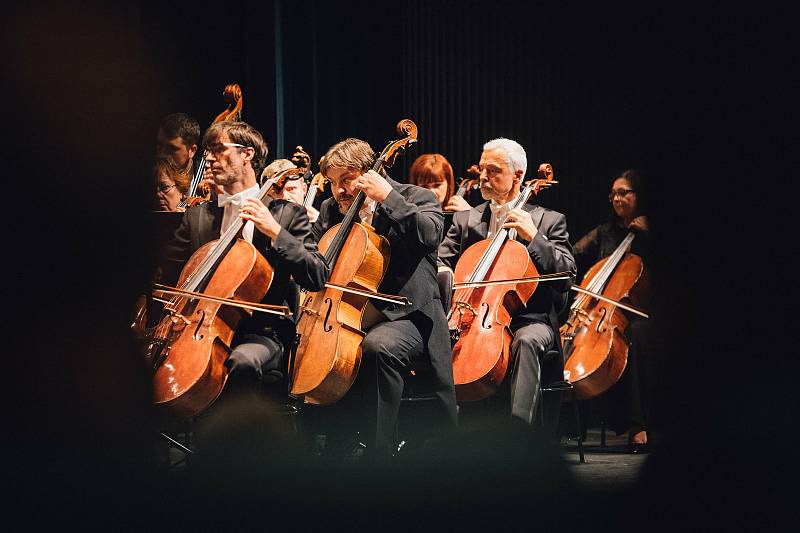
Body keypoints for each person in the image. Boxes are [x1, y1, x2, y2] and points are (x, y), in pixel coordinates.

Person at [309, 138, 458, 460]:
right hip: (348, 313)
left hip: (408, 315)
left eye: (346, 180)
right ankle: (326, 447)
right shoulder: (331, 210)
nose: (338, 191)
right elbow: (316, 259)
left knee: (377, 347)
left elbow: (429, 236)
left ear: (367, 173)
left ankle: (380, 454)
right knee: (307, 347)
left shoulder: (415, 197)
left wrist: (387, 198)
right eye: (332, 184)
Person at [160, 121, 329, 400]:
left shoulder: (285, 216)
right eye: (207, 151)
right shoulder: (197, 216)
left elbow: (317, 275)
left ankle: (241, 439)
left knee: (241, 362)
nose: (209, 158)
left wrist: (275, 232)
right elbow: (166, 276)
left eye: (218, 149)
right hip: (195, 327)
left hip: (263, 333)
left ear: (247, 154)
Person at [438, 137, 576, 429]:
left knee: (525, 341)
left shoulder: (549, 221)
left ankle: (520, 436)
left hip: (531, 318)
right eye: (483, 169)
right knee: (434, 337)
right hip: (472, 315)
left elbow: (566, 274)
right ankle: (442, 436)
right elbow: (439, 264)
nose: (484, 177)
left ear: (518, 175)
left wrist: (533, 237)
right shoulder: (466, 220)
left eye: (494, 170)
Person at [572, 168, 653, 451]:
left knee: (640, 334)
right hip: (605, 312)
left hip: (643, 311)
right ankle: (570, 425)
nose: (617, 198)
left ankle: (638, 424)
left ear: (639, 196)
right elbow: (572, 255)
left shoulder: (653, 231)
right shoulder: (604, 232)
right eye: (613, 194)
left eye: (624, 192)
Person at [262, 159, 320, 223]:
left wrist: (319, 225)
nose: (285, 197)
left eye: (291, 189)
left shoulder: (318, 222)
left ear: (304, 189)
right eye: (277, 192)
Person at [156, 112, 200, 179]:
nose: (162, 154)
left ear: (192, 151)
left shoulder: (210, 178)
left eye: (171, 149)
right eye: (160, 146)